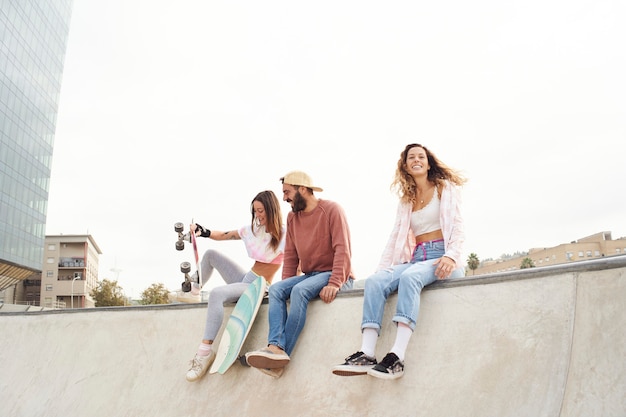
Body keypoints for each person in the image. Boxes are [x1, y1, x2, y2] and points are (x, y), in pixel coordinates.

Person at [332, 143, 467, 380]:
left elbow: (457, 226)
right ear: (405, 165)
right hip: (416, 258)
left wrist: (451, 255)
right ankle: (367, 352)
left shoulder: (445, 188)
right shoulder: (407, 199)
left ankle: (397, 357)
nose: (416, 160)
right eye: (411, 157)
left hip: (441, 256)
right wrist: (383, 272)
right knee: (375, 282)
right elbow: (395, 238)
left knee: (409, 277)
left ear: (428, 162)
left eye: (421, 156)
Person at [245, 171, 354, 378]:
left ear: (302, 189)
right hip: (311, 274)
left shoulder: (331, 210)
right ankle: (274, 346)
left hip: (335, 273)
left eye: (287, 192)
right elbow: (292, 256)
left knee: (299, 291)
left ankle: (281, 354)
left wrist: (335, 282)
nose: (284, 198)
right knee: (277, 289)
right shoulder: (293, 217)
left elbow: (343, 249)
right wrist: (286, 285)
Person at [185, 190, 285, 382]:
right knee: (211, 254)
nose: (258, 215)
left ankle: (205, 352)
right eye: (255, 211)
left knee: (216, 294)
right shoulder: (254, 230)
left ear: (272, 209)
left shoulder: (284, 234)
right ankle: (194, 291)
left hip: (259, 288)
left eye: (261, 211)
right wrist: (203, 231)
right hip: (247, 279)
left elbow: (295, 261)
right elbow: (225, 235)